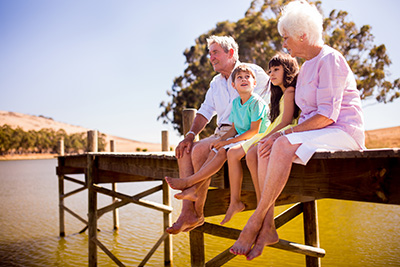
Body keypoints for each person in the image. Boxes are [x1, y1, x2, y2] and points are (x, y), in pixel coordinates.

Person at [229, 0, 365, 260]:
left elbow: (327, 116)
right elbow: (303, 114)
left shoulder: (331, 60)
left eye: (286, 37)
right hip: (317, 132)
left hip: (343, 131)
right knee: (259, 149)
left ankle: (255, 221)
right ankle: (268, 227)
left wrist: (285, 133)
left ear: (303, 35)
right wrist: (280, 133)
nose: (284, 44)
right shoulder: (306, 67)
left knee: (280, 142)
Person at [167, 35, 269, 234]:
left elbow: (268, 102)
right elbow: (205, 111)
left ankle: (192, 199)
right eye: (209, 53)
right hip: (222, 131)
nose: (211, 57)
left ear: (231, 53)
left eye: (215, 52)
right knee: (187, 150)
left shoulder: (252, 72)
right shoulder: (215, 82)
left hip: (246, 131)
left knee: (207, 152)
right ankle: (190, 213)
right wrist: (189, 135)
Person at [220, 52, 300, 226]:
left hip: (282, 130)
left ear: (287, 70)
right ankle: (260, 201)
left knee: (254, 150)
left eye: (276, 70)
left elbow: (286, 121)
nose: (271, 74)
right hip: (276, 129)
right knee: (250, 155)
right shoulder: (280, 94)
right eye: (270, 71)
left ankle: (262, 205)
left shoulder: (290, 91)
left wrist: (268, 137)